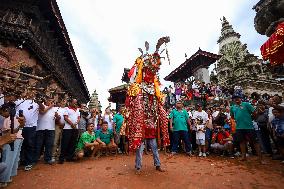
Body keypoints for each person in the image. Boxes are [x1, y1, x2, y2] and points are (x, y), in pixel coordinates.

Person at [230, 94, 263, 162]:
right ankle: (243, 156)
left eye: (238, 97)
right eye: (235, 98)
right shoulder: (232, 107)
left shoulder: (246, 104)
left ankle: (260, 158)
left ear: (240, 98)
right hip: (239, 127)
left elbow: (254, 113)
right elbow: (232, 116)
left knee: (255, 142)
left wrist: (251, 118)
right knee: (242, 142)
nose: (236, 99)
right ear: (233, 100)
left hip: (249, 126)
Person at [0, 103, 25, 187]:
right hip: (19, 138)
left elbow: (9, 133)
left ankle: (4, 180)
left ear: (6, 110)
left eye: (2, 112)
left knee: (7, 159)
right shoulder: (17, 118)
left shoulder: (8, 119)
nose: (2, 115)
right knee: (14, 159)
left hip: (12, 140)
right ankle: (10, 176)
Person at [15, 93, 39, 171]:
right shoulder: (19, 101)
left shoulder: (36, 103)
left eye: (33, 92)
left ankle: (29, 162)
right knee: (20, 144)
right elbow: (15, 112)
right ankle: (21, 161)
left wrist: (39, 100)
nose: (31, 94)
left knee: (30, 144)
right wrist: (20, 118)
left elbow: (42, 108)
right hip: (20, 126)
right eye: (29, 91)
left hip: (31, 127)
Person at [34, 97, 61, 165]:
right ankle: (35, 158)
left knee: (49, 144)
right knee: (38, 144)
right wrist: (50, 106)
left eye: (52, 101)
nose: (51, 102)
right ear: (46, 101)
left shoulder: (54, 109)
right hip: (40, 128)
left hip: (51, 129)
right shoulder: (42, 106)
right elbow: (42, 112)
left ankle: (47, 159)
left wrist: (57, 116)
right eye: (50, 101)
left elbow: (58, 118)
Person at [58, 99, 80, 164]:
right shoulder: (66, 109)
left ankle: (69, 157)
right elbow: (65, 117)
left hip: (75, 128)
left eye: (76, 103)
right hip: (67, 128)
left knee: (73, 143)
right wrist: (72, 124)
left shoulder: (78, 109)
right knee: (65, 143)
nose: (75, 104)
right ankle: (61, 158)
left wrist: (76, 123)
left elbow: (79, 118)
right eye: (74, 102)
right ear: (70, 102)